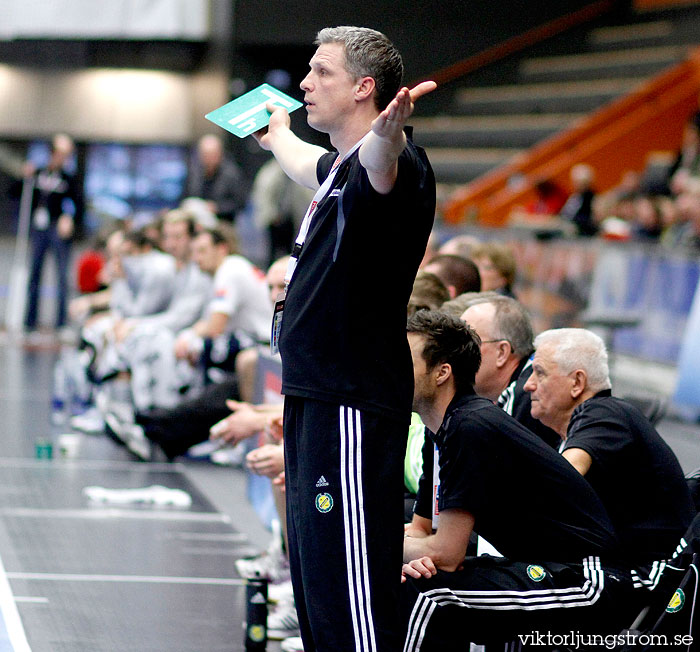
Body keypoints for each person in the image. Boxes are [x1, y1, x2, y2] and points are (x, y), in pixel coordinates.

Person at [253, 25, 436, 652]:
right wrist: (275, 131)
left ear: (365, 88)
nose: (305, 83)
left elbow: (382, 161)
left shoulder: (395, 164)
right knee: (317, 583)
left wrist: (386, 132)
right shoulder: (337, 168)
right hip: (315, 393)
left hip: (352, 400)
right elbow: (306, 162)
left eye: (321, 72)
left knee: (351, 593)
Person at [402, 311, 636, 650]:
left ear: (442, 373)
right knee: (420, 578)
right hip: (542, 566)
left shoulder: (471, 426)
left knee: (430, 596)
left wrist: (384, 545)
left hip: (587, 578)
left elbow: (447, 553)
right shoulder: (445, 427)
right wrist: (417, 554)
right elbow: (429, 537)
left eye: (404, 361)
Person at [524, 328, 694, 568]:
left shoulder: (604, 412)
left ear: (577, 382)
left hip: (645, 577)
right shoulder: (581, 427)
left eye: (539, 373)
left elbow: (562, 476)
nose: (528, 385)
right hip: (618, 566)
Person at [22, 133, 82, 333]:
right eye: (59, 153)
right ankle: (29, 321)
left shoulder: (69, 179)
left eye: (66, 155)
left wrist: (69, 218)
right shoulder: (38, 174)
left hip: (58, 228)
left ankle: (61, 323)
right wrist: (25, 177)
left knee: (61, 276)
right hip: (39, 229)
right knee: (34, 274)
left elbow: (79, 205)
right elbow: (16, 195)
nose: (62, 158)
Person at [183, 134, 247, 223]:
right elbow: (185, 196)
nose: (208, 159)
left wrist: (218, 208)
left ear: (220, 154)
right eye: (205, 155)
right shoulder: (194, 172)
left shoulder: (232, 174)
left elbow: (240, 203)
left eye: (211, 154)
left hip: (223, 224)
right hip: (197, 223)